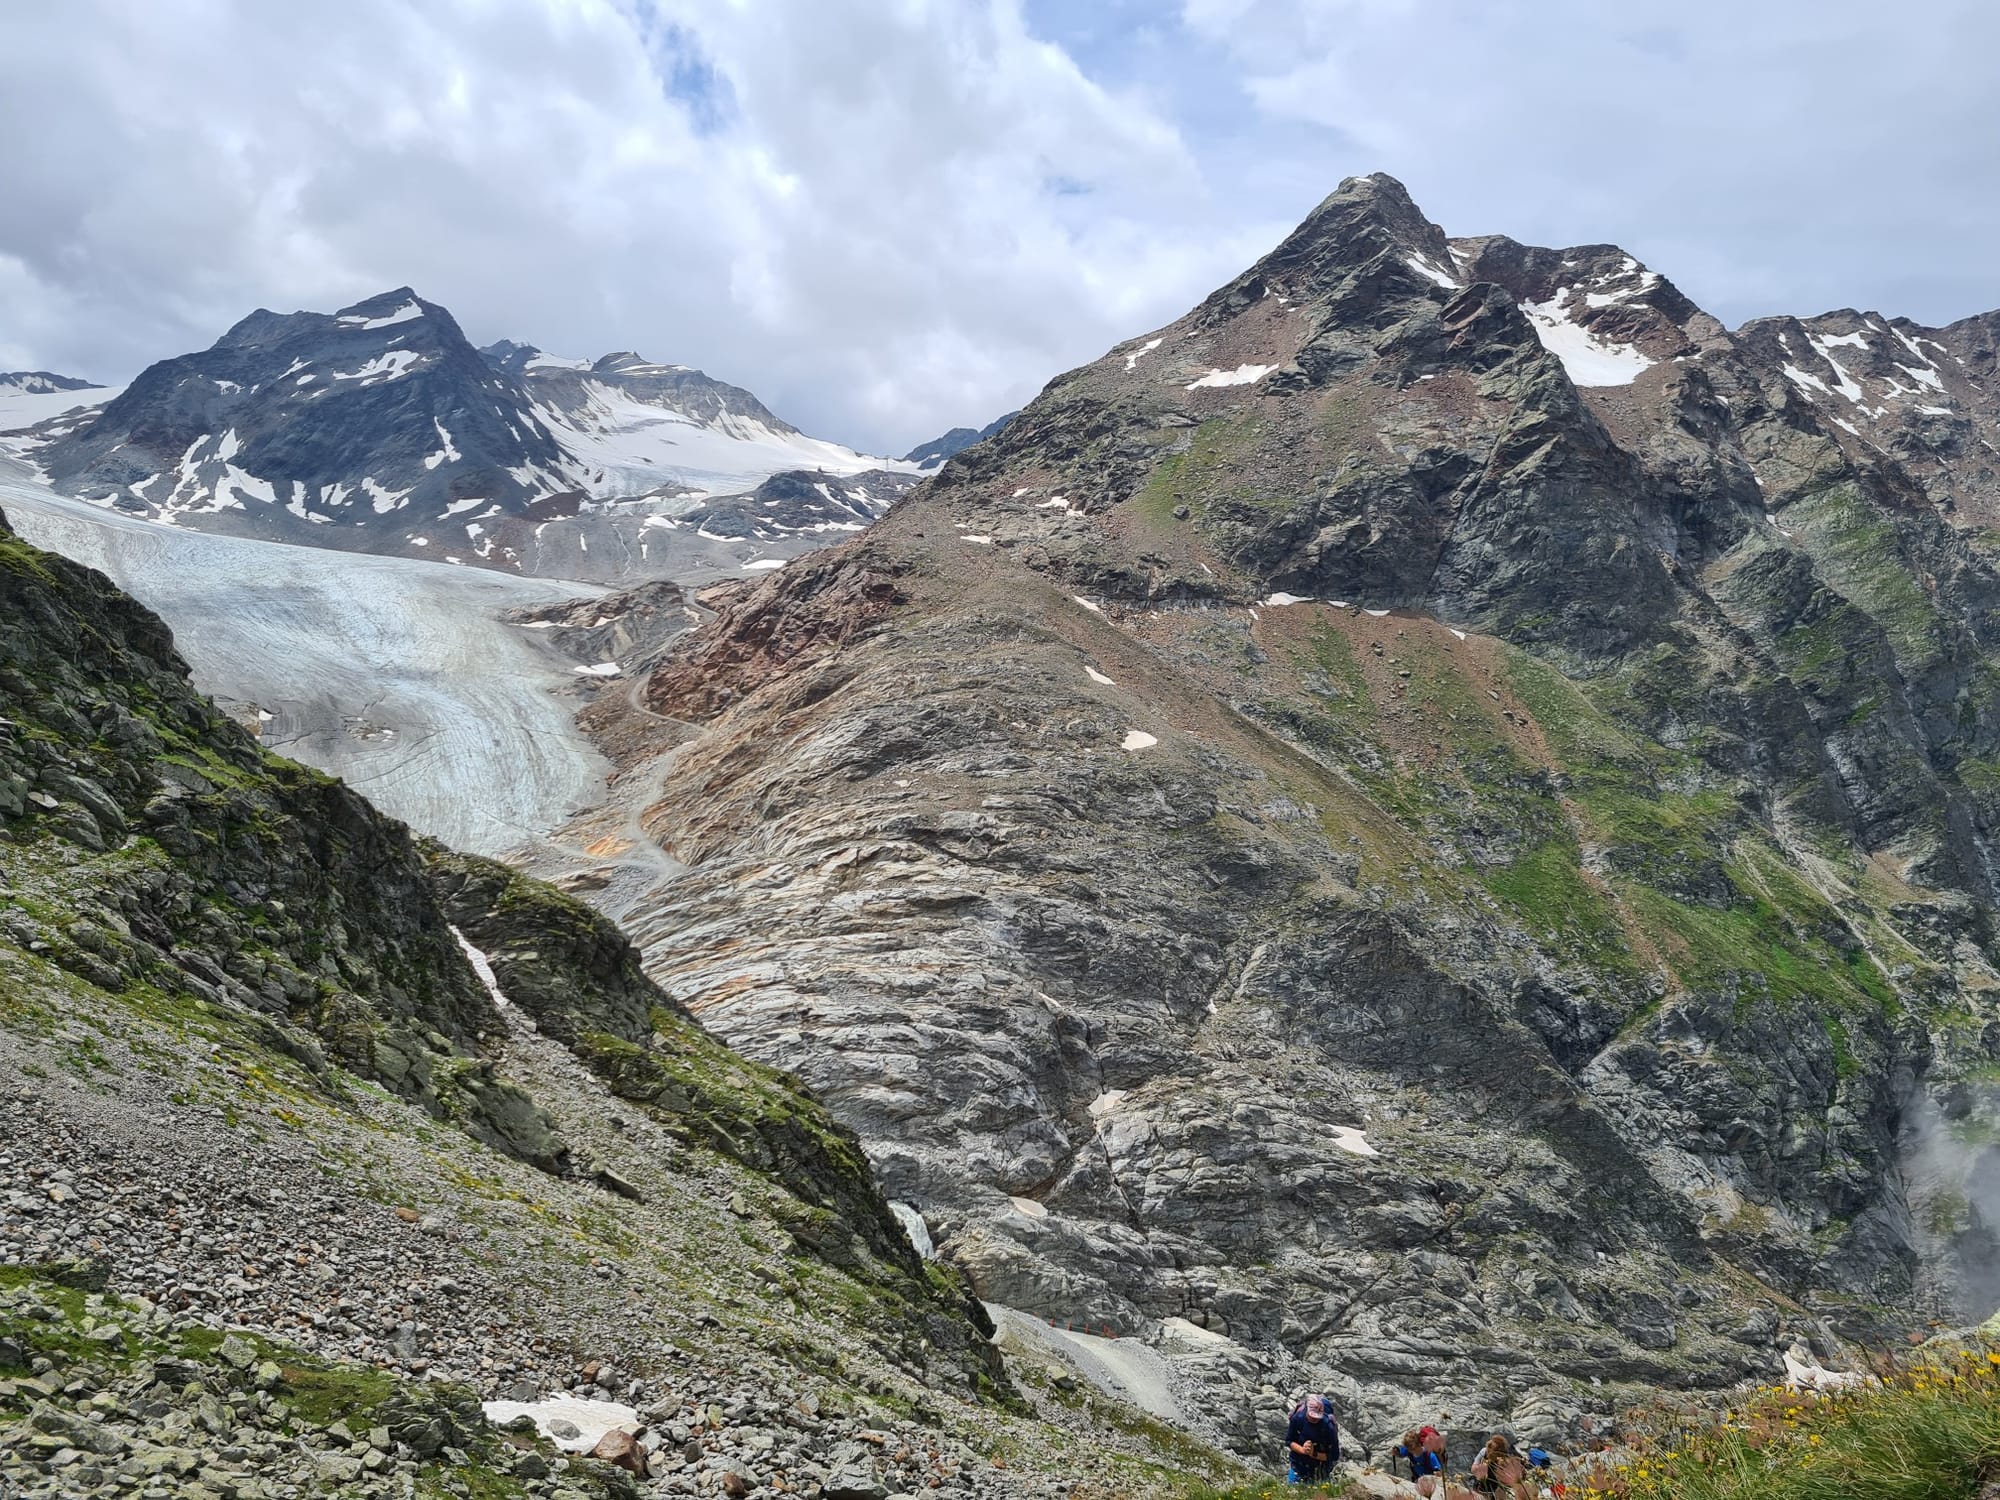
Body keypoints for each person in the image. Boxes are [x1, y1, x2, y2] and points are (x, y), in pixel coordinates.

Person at [1285, 1393, 1341, 1485]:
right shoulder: (1297, 1419)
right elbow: (1289, 1441)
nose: (1315, 1419)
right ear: (1307, 1409)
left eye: (1317, 1417)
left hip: (1320, 1469)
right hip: (1298, 1465)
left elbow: (1334, 1455)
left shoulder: (1328, 1426)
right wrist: (1303, 1450)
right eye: (1312, 1416)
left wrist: (1313, 1454)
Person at [1469, 1434, 1530, 1499]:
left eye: (1497, 1454)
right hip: (1483, 1488)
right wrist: (1483, 1468)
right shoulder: (1484, 1452)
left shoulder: (1508, 1456)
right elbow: (1473, 1469)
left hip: (1500, 1489)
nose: (1496, 1457)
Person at [1393, 1426, 1447, 1495]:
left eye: (1413, 1449)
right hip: (1417, 1480)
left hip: (1431, 1485)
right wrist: (1396, 1452)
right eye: (1409, 1450)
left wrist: (1437, 1474)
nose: (1412, 1452)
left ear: (1419, 1444)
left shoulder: (1430, 1456)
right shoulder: (1409, 1451)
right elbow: (1401, 1454)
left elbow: (1439, 1472)